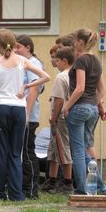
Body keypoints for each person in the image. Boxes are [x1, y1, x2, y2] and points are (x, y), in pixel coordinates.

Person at [0, 29, 50, 201]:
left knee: (0, 152)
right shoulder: (23, 61)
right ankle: (16, 194)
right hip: (19, 110)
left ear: (0, 44)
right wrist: (27, 86)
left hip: (1, 109)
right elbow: (46, 77)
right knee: (16, 154)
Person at [62, 28, 106, 195]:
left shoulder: (80, 61)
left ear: (80, 42)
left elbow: (80, 88)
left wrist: (67, 106)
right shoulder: (96, 61)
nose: (74, 43)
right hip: (92, 110)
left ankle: (82, 188)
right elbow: (101, 90)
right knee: (85, 148)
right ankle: (101, 187)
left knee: (78, 150)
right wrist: (94, 105)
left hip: (79, 109)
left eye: (75, 40)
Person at [15, 34, 45, 199]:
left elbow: (34, 89)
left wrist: (26, 115)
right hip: (23, 114)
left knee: (27, 152)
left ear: (28, 47)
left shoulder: (33, 63)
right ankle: (24, 186)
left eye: (18, 47)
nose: (16, 50)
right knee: (23, 151)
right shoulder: (24, 64)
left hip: (29, 116)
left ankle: (32, 189)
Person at [42, 47, 74, 194]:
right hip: (67, 117)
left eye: (57, 60)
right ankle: (52, 180)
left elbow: (59, 100)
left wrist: (53, 118)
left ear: (64, 61)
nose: (55, 62)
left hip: (60, 118)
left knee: (62, 148)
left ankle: (67, 182)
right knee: (54, 150)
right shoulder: (73, 75)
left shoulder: (61, 77)